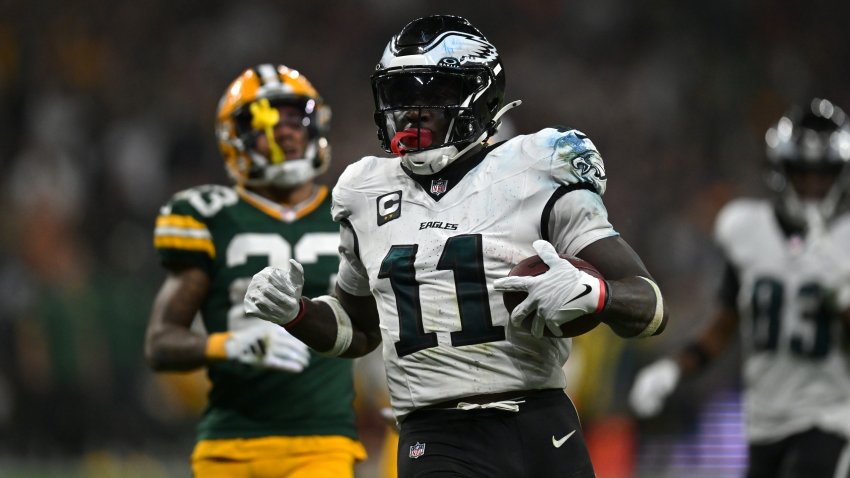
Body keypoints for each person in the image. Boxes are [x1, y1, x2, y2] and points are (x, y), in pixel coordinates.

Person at [244, 15, 669, 478]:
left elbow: (650, 305)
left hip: (543, 427)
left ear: (478, 96)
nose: (410, 111)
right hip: (436, 434)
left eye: (431, 95)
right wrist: (298, 314)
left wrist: (595, 294)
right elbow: (359, 329)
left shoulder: (539, 167)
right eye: (401, 95)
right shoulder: (363, 192)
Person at [144, 63, 366, 477]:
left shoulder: (352, 211)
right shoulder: (207, 215)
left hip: (322, 443)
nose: (285, 132)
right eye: (264, 122)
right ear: (235, 138)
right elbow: (160, 343)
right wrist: (230, 346)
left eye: (294, 118)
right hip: (230, 444)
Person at [628, 98, 850, 478]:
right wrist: (673, 369)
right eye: (804, 173)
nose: (814, 186)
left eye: (823, 175)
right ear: (782, 171)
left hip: (829, 417)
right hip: (763, 420)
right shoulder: (747, 230)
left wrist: (842, 293)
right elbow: (724, 325)